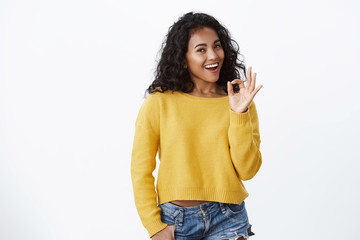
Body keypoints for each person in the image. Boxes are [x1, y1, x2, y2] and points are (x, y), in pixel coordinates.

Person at [131, 11, 263, 240]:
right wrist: (154, 225)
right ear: (183, 58)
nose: (213, 55)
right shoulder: (159, 103)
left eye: (217, 46)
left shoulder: (239, 100)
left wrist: (238, 113)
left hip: (229, 216)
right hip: (176, 221)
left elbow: (248, 170)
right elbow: (140, 170)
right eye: (201, 49)